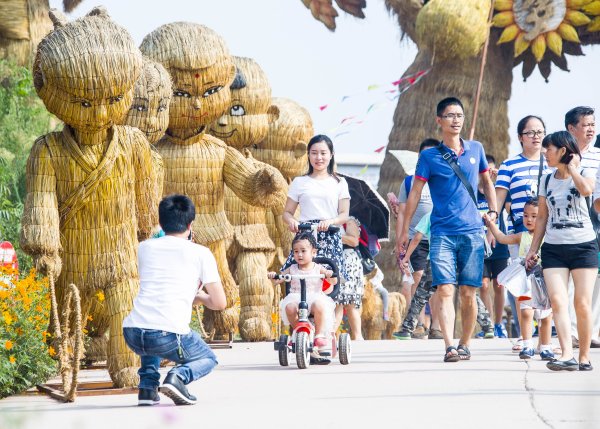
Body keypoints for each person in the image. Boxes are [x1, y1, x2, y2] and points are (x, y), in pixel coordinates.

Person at [399, 97, 497, 362]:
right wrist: (404, 232)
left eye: (460, 115)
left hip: (472, 232)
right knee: (444, 289)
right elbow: (415, 194)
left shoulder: (476, 149)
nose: (456, 120)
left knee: (468, 293)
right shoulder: (429, 157)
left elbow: (487, 183)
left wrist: (494, 211)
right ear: (439, 121)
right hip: (441, 232)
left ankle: (465, 343)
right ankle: (448, 345)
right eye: (450, 115)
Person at [123, 195, 226, 406]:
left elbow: (164, 287)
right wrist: (201, 298)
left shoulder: (144, 247)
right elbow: (219, 303)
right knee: (208, 358)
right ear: (190, 224)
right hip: (166, 335)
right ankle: (178, 377)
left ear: (161, 223)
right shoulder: (201, 253)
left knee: (152, 328)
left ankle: (147, 388)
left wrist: (190, 296)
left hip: (133, 332)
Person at [525, 131, 597, 371]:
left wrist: (573, 169)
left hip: (583, 245)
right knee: (557, 300)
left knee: (582, 303)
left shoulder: (586, 172)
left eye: (550, 149)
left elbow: (587, 191)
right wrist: (533, 249)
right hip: (554, 248)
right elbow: (542, 217)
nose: (545, 153)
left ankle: (584, 355)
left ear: (563, 151)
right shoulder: (546, 180)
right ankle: (566, 353)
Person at [495, 115, 551, 343]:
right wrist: (491, 227)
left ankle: (547, 336)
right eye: (530, 133)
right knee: (520, 282)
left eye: (540, 132)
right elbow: (498, 200)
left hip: (549, 229)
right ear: (520, 137)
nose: (536, 136)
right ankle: (523, 335)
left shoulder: (551, 162)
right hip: (521, 228)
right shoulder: (509, 165)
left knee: (548, 281)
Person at [485, 198, 555, 361]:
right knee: (525, 312)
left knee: (545, 315)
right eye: (525, 215)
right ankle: (527, 345)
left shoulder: (549, 236)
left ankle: (545, 347)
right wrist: (491, 224)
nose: (529, 219)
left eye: (534, 216)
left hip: (544, 281)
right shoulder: (520, 236)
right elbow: (502, 238)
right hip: (525, 282)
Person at [282, 134, 350, 283]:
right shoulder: (299, 182)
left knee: (332, 282)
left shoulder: (340, 182)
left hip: (330, 234)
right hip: (305, 237)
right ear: (308, 155)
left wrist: (330, 221)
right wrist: (292, 221)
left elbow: (344, 214)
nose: (318, 157)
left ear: (331, 155)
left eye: (323, 153)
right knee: (297, 279)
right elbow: (287, 213)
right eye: (314, 153)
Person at [565, 106, 600, 350]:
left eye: (593, 124)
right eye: (586, 124)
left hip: (595, 223)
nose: (591, 129)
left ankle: (593, 332)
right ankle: (571, 333)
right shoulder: (559, 154)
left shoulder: (599, 155)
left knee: (596, 280)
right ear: (571, 128)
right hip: (566, 225)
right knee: (566, 282)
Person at [395, 138, 437, 336]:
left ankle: (436, 325)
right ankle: (420, 324)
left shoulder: (444, 179)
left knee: (438, 282)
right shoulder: (410, 181)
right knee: (418, 277)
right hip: (415, 237)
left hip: (439, 236)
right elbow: (402, 212)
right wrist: (401, 236)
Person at [269, 232, 337, 349]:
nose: (299, 254)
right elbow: (278, 280)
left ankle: (319, 334)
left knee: (319, 305)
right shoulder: (292, 268)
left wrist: (329, 274)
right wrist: (274, 276)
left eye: (303, 251)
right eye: (296, 251)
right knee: (289, 307)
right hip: (296, 297)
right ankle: (297, 331)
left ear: (313, 252)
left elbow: (333, 281)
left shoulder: (318, 268)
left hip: (315, 296)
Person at [478, 155, 510, 339]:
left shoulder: (500, 190)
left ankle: (499, 324)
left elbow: (508, 208)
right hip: (479, 245)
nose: (488, 173)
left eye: (491, 169)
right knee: (483, 284)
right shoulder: (473, 191)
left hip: (498, 244)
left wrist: (500, 180)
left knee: (499, 284)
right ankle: (487, 324)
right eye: (485, 170)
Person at [333, 217, 364, 340]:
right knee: (336, 303)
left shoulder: (349, 220)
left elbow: (354, 241)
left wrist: (335, 236)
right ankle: (330, 335)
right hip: (333, 261)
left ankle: (357, 336)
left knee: (348, 303)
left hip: (348, 262)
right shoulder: (325, 217)